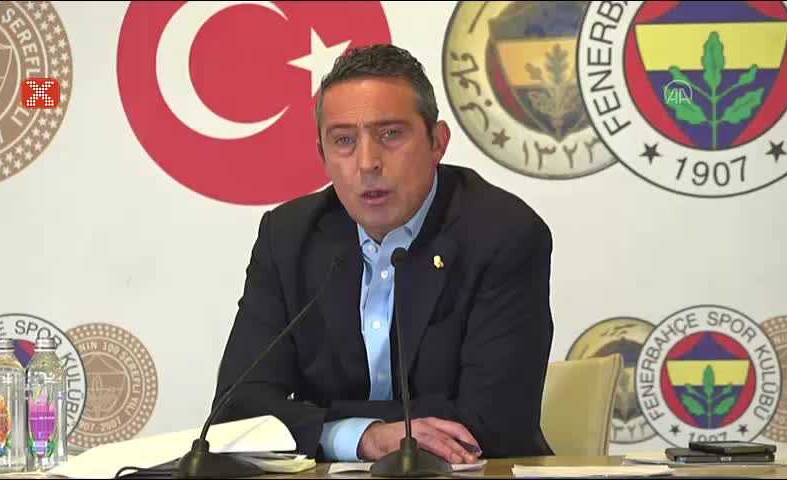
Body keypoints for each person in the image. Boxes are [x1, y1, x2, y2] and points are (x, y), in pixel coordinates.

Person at [211, 44, 555, 464]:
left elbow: (494, 422)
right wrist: (365, 438)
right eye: (344, 141)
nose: (368, 162)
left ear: (437, 142)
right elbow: (237, 410)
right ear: (323, 156)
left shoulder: (502, 234)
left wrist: (317, 421)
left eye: (391, 134)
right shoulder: (288, 237)